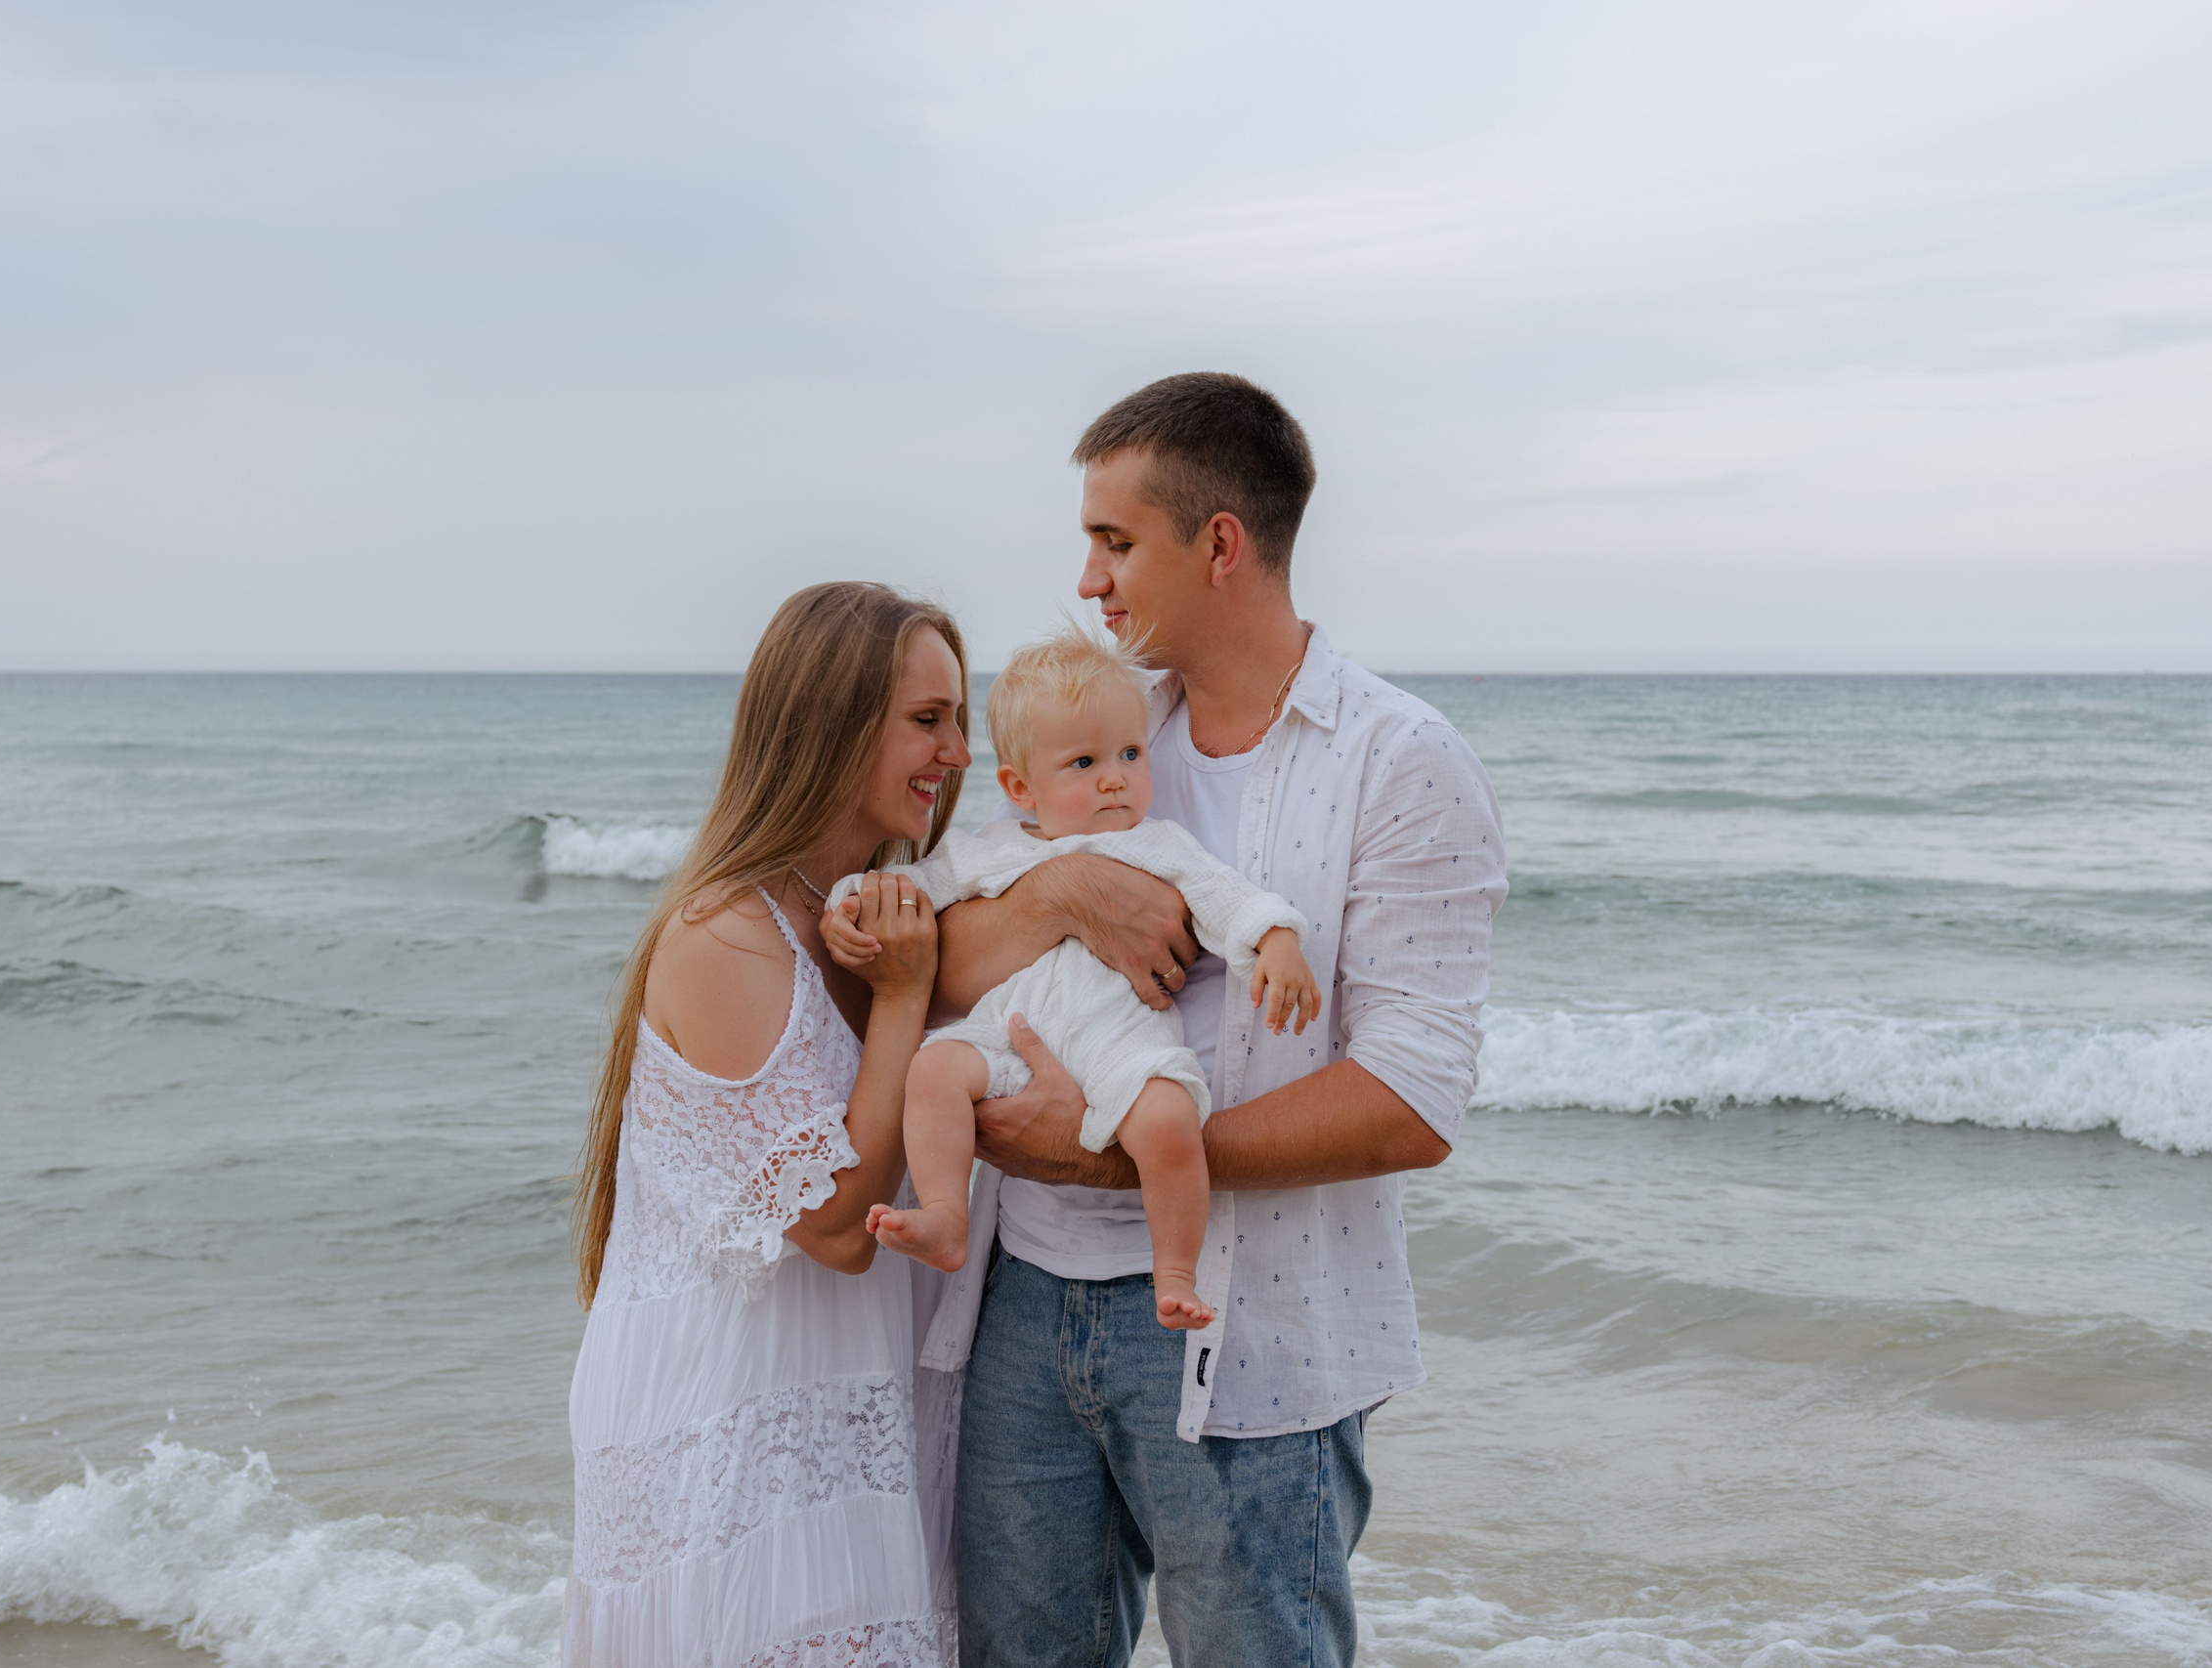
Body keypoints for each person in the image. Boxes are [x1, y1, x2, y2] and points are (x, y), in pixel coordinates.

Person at [934, 374, 1509, 1668]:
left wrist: (1121, 1156)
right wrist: (1067, 887)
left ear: (1220, 545)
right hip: (1025, 1306)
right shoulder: (1105, 731)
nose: (1089, 578)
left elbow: (1413, 1099)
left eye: (1115, 539)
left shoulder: (1398, 759)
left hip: (1253, 1330)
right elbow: (940, 958)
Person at [564, 581, 971, 1668]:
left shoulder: (858, 912)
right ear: (832, 724)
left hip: (848, 1410)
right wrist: (901, 999)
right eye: (927, 720)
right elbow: (837, 1227)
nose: (960, 752)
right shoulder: (724, 933)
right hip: (743, 1422)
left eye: (960, 719)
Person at [819, 625, 1322, 1330]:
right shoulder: (988, 850)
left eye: (1130, 752)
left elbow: (1225, 896)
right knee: (932, 1071)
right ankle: (943, 1214)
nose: (1114, 776)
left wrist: (1276, 941)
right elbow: (909, 886)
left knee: (1172, 1117)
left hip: (1120, 1040)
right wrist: (851, 903)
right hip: (1011, 1034)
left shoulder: (1159, 844)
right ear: (1021, 786)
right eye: (1083, 761)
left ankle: (1175, 1268)